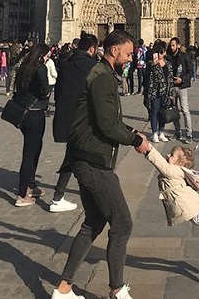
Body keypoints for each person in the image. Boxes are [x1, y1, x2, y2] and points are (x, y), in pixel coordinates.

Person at [52, 30, 151, 299]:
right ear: (114, 50)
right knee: (122, 224)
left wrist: (133, 132)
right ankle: (117, 289)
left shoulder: (102, 73)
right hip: (92, 159)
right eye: (128, 54)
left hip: (85, 156)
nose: (130, 59)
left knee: (93, 222)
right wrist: (135, 140)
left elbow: (107, 118)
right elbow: (107, 125)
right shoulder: (102, 77)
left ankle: (63, 289)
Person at [49, 33, 99, 212]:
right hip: (84, 118)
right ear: (92, 49)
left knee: (74, 155)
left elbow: (58, 92)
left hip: (66, 117)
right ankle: (60, 197)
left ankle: (60, 196)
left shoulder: (65, 62)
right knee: (86, 156)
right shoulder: (93, 66)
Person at [11, 44, 54, 207]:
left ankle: (31, 185)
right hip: (35, 114)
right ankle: (22, 194)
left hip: (23, 113)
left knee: (35, 148)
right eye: (47, 56)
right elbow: (45, 91)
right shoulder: (40, 68)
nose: (48, 58)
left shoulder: (24, 67)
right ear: (41, 55)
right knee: (30, 154)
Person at [143, 42, 175, 142]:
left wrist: (171, 93)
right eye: (158, 52)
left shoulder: (168, 64)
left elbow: (170, 78)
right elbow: (146, 77)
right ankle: (154, 133)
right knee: (154, 112)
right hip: (154, 92)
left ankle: (161, 132)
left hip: (165, 92)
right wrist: (152, 65)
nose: (160, 54)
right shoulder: (151, 64)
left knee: (162, 112)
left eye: (162, 52)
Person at [168, 42, 196, 143]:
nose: (171, 47)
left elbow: (190, 71)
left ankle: (189, 134)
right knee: (174, 111)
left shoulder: (185, 56)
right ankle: (177, 132)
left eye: (173, 45)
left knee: (185, 110)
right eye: (170, 45)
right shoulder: (168, 57)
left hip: (182, 87)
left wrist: (182, 79)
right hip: (172, 87)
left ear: (178, 46)